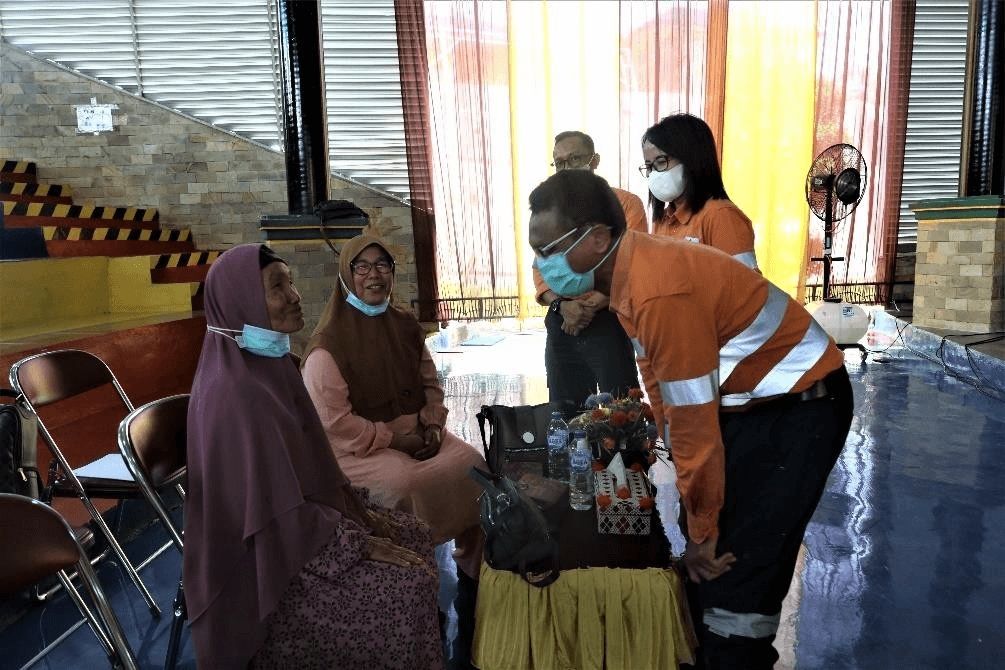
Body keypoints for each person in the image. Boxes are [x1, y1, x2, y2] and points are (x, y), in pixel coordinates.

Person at [528, 170, 854, 670]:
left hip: (801, 405)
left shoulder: (659, 290)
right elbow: (657, 381)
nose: (541, 265)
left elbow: (694, 422)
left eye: (549, 249)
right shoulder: (630, 270)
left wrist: (702, 534)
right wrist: (691, 499)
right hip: (748, 402)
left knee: (739, 563)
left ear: (597, 239)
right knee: (706, 526)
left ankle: (735, 649)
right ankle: (709, 632)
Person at [184, 244, 443, 670]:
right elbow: (272, 518)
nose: (295, 296)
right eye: (277, 287)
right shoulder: (233, 395)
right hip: (267, 569)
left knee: (413, 535)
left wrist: (361, 516)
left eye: (291, 282)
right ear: (241, 303)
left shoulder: (270, 366)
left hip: (300, 528)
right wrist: (358, 542)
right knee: (407, 585)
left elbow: (312, 469)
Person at [301, 234, 486, 669]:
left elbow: (430, 384)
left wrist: (433, 425)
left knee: (474, 466)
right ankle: (412, 585)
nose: (374, 275)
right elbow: (335, 424)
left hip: (418, 434)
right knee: (403, 484)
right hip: (358, 449)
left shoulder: (404, 326)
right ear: (346, 276)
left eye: (382, 265)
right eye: (362, 267)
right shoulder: (327, 346)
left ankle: (473, 572)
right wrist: (395, 440)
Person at [533, 130, 646, 415]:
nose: (566, 168)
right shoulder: (548, 210)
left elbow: (631, 262)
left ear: (594, 161)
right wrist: (562, 305)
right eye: (559, 162)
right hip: (562, 319)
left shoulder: (625, 204)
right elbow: (541, 271)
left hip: (609, 317)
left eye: (574, 159)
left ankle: (624, 446)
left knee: (621, 410)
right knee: (566, 412)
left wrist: (593, 303)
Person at [642, 113, 758, 271]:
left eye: (661, 162)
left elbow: (744, 283)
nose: (654, 174)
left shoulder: (721, 216)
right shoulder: (663, 220)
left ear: (691, 159)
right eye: (649, 167)